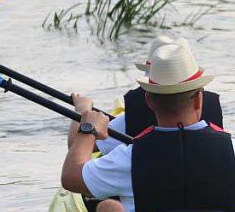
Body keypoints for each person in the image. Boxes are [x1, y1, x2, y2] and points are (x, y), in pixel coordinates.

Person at [62, 40, 235, 212]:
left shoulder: (129, 157)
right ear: (200, 99)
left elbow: (71, 178)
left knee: (109, 207)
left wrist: (87, 128)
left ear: (149, 100)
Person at [76, 34, 225, 155]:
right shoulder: (233, 151)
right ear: (199, 99)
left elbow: (76, 154)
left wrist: (83, 113)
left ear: (149, 98)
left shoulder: (127, 152)